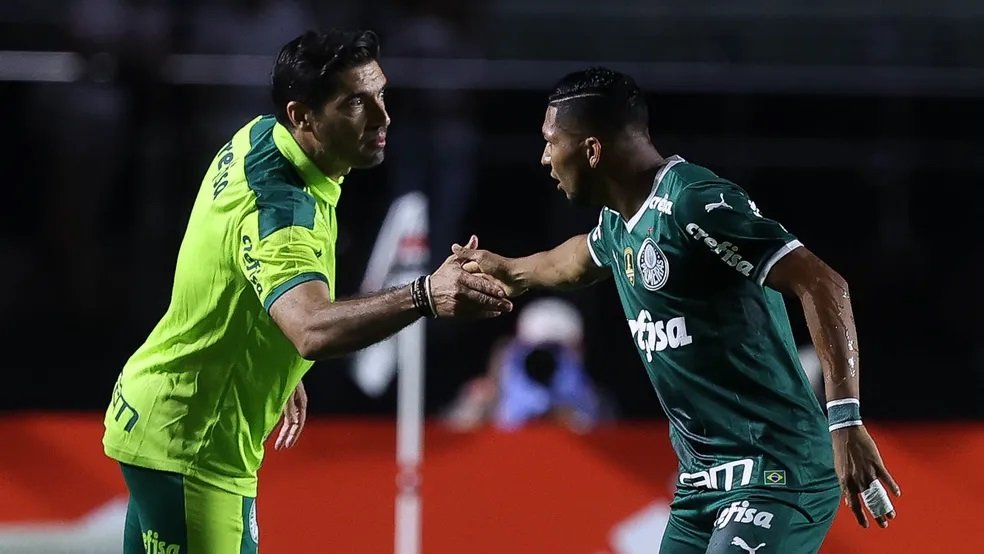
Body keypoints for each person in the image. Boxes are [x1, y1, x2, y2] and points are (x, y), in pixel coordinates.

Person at [452, 67, 900, 553]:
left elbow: (823, 283)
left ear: (592, 150)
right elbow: (575, 261)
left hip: (777, 470)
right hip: (700, 486)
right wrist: (509, 272)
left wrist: (846, 423)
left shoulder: (694, 203)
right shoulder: (620, 222)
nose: (544, 158)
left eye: (550, 141)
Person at [102, 29, 512, 554]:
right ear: (302, 116)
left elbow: (223, 258)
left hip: (165, 417)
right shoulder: (283, 211)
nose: (383, 118)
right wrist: (425, 294)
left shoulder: (257, 136)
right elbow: (312, 329)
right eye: (355, 104)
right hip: (194, 445)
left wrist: (271, 357)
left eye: (381, 95)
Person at [442, 297, 604, 433]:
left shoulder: (595, 400)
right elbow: (449, 441)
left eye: (557, 351)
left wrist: (571, 415)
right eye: (535, 351)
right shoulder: (490, 394)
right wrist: (480, 404)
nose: (544, 362)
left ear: (579, 353)